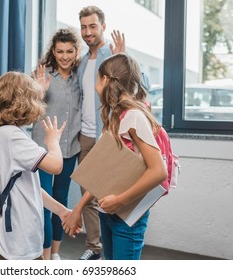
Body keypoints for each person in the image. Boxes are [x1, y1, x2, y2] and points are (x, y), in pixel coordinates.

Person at [64, 53, 167, 260]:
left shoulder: (134, 117)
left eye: (96, 80)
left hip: (128, 216)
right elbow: (104, 171)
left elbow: (159, 172)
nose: (94, 87)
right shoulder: (115, 116)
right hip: (108, 211)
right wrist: (78, 208)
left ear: (105, 80)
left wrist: (119, 200)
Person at [75, 5, 150, 260]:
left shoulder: (115, 59)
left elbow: (141, 86)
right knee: (92, 185)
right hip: (88, 134)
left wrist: (124, 55)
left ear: (103, 26)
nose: (87, 32)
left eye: (92, 26)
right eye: (83, 27)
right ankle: (94, 246)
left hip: (110, 133)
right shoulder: (83, 61)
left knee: (112, 191)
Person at [0, 71, 76, 260]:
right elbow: (56, 166)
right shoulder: (13, 137)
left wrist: (61, 210)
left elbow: (27, 187)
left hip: (10, 239)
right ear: (25, 103)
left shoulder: (1, 134)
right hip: (16, 243)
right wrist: (53, 141)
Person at [31, 28, 81, 260]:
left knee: (61, 202)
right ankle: (44, 257)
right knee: (43, 204)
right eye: (59, 51)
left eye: (69, 51)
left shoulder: (80, 76)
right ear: (53, 51)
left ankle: (56, 254)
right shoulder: (42, 74)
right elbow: (28, 111)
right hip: (43, 150)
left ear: (76, 51)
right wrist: (38, 91)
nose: (64, 56)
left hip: (69, 148)